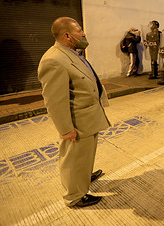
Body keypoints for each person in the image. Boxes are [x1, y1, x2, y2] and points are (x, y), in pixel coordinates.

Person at [38, 17, 110, 207]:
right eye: (79, 30)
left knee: (85, 155)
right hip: (77, 121)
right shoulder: (53, 60)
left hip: (89, 116)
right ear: (67, 35)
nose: (84, 33)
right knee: (74, 159)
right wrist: (66, 129)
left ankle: (84, 176)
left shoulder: (71, 52)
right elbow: (54, 101)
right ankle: (75, 196)